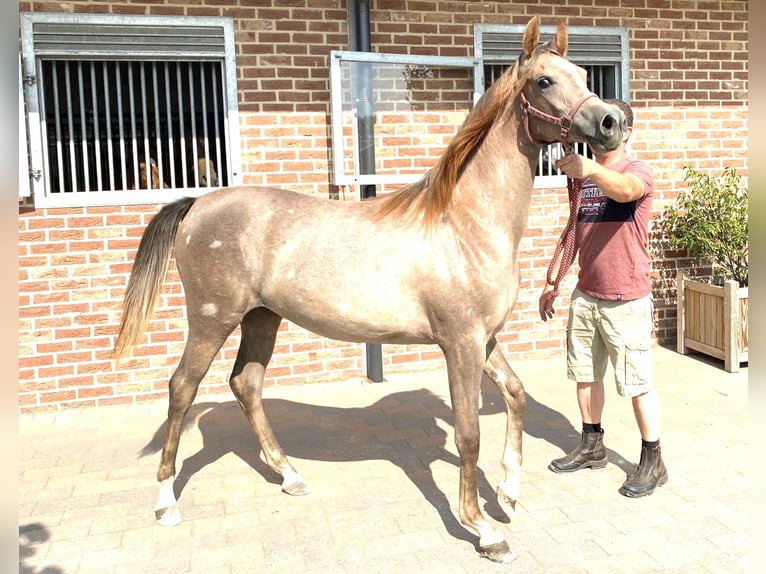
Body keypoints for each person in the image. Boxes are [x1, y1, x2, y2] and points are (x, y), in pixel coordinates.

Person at [538, 99, 667, 498]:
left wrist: (591, 168)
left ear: (627, 132)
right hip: (586, 295)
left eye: (613, 124)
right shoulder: (585, 180)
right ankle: (592, 445)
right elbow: (574, 232)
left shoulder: (636, 170)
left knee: (637, 383)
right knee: (585, 374)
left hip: (625, 299)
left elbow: (627, 192)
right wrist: (552, 280)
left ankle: (653, 460)